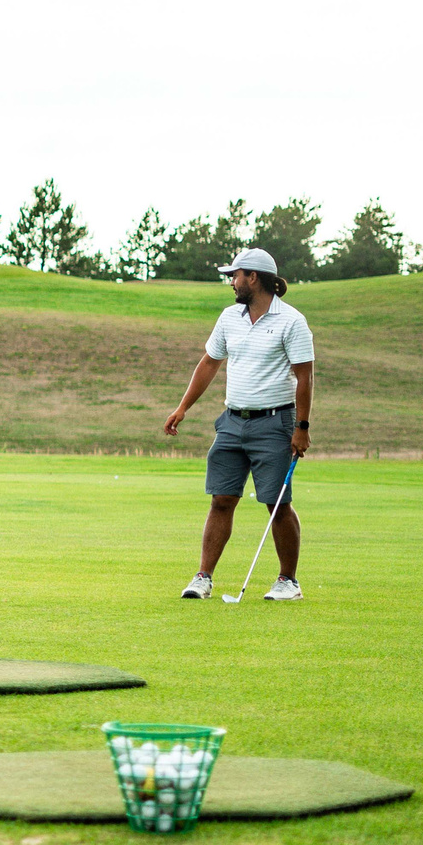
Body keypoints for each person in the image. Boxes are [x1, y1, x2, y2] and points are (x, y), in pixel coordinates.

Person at [162, 246, 315, 601]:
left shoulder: (291, 321)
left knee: (276, 503)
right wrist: (183, 407)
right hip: (231, 421)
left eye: (236, 275)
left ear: (254, 277)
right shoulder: (230, 317)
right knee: (221, 500)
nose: (231, 281)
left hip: (275, 423)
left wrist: (302, 427)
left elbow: (305, 377)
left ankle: (288, 581)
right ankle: (203, 577)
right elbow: (209, 363)